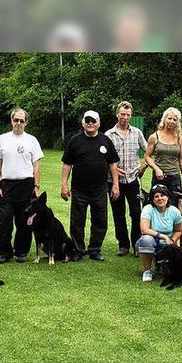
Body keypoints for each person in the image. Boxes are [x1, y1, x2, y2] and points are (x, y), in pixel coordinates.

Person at [61, 110, 120, 262]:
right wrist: (64, 185)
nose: (90, 123)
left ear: (99, 123)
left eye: (93, 120)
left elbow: (113, 164)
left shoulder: (106, 140)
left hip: (100, 189)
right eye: (87, 120)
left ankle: (95, 250)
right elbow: (67, 164)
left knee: (100, 221)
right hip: (79, 189)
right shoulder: (74, 141)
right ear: (83, 123)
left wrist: (115, 185)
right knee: (77, 221)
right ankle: (78, 250)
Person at [0, 108, 43, 264]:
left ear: (26, 122)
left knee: (24, 221)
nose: (18, 123)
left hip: (26, 185)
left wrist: (36, 186)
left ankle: (21, 252)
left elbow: (36, 166)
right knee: (4, 220)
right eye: (16, 120)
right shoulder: (2, 139)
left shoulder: (32, 140)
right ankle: (4, 252)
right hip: (6, 185)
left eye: (22, 120)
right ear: (11, 120)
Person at [105, 101, 148, 257]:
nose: (125, 117)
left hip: (133, 179)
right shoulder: (108, 135)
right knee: (118, 213)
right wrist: (113, 168)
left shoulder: (136, 132)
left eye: (128, 115)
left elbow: (149, 151)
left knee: (136, 213)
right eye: (122, 114)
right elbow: (103, 158)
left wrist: (143, 166)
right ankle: (123, 245)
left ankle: (137, 244)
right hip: (114, 181)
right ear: (117, 114)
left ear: (131, 116)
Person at [136, 184, 182, 282]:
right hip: (151, 242)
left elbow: (178, 231)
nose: (160, 198)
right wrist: (164, 236)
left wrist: (173, 240)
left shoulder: (175, 211)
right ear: (152, 199)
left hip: (167, 245)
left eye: (162, 195)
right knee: (146, 239)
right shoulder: (148, 209)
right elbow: (144, 230)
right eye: (156, 196)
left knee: (168, 273)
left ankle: (160, 265)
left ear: (168, 197)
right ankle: (147, 271)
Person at [144, 107, 182, 206]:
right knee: (157, 205)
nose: (171, 121)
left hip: (174, 178)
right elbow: (147, 157)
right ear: (164, 119)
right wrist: (156, 169)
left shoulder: (180, 139)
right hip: (159, 177)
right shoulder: (154, 137)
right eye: (169, 118)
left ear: (177, 122)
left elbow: (181, 159)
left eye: (174, 119)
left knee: (173, 207)